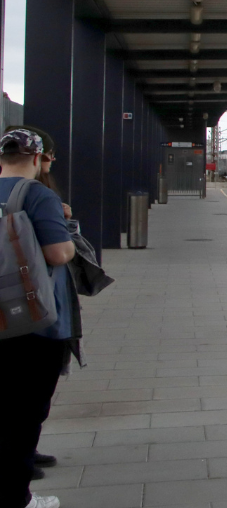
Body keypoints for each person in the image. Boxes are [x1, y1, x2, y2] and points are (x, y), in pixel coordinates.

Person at [0, 130, 76, 508]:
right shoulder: (37, 195)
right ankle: (20, 499)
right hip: (32, 319)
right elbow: (60, 254)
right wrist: (69, 232)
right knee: (26, 411)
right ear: (36, 159)